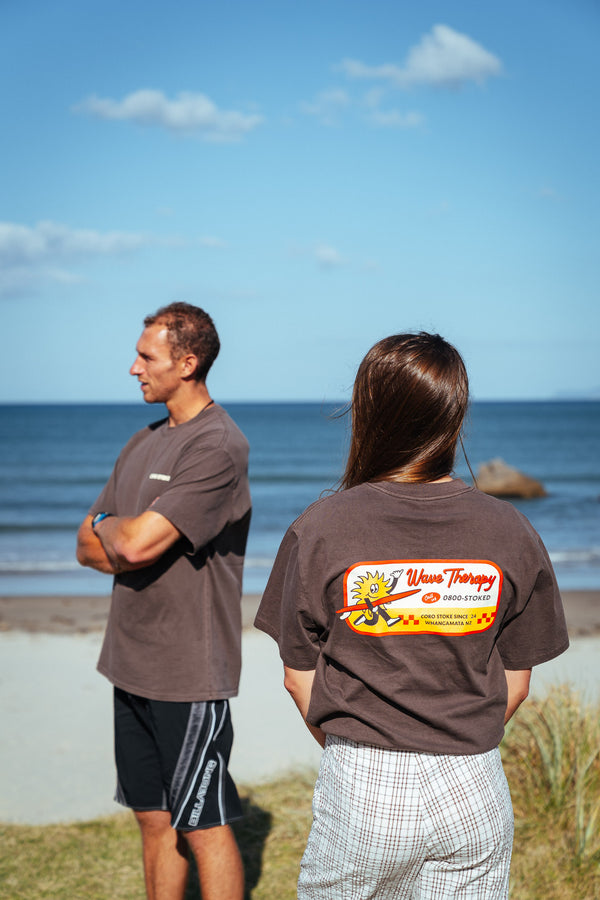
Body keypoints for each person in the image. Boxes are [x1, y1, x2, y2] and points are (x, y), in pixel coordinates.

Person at [255, 332, 569, 899]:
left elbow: (297, 676)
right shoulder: (511, 529)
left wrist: (357, 749)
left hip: (365, 777)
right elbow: (516, 684)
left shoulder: (321, 526)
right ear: (456, 416)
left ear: (367, 413)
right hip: (474, 783)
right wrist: (456, 738)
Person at [77, 302, 251, 900]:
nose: (133, 368)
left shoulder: (218, 447)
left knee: (203, 825)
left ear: (188, 362)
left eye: (146, 357)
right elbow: (88, 545)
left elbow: (141, 545)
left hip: (188, 672)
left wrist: (118, 534)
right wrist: (114, 529)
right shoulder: (141, 441)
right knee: (151, 818)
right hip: (130, 663)